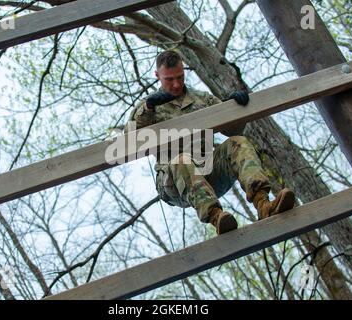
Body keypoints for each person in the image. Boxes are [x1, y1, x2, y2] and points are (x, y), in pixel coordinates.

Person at [126, 50, 295, 235]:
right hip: (175, 182)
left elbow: (232, 130)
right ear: (157, 76)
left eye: (180, 77)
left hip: (209, 171)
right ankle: (217, 217)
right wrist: (148, 107)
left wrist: (235, 108)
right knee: (181, 160)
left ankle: (264, 204)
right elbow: (130, 139)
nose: (176, 84)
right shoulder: (149, 107)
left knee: (238, 142)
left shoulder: (202, 99)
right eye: (169, 79)